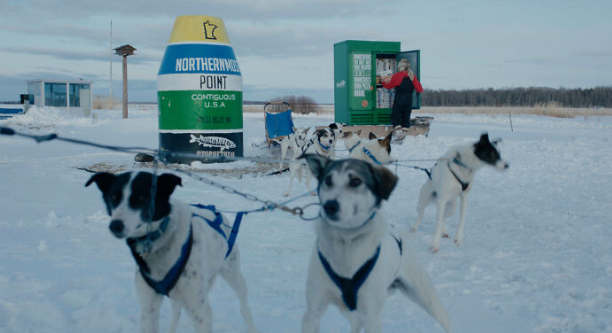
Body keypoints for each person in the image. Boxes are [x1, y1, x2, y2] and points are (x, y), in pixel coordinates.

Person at [382, 59, 423, 130]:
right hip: (409, 100)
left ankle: (398, 131)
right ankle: (405, 134)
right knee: (406, 117)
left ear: (400, 66)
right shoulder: (412, 76)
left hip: (399, 98)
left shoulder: (397, 75)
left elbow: (389, 86)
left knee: (396, 117)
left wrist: (383, 82)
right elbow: (420, 89)